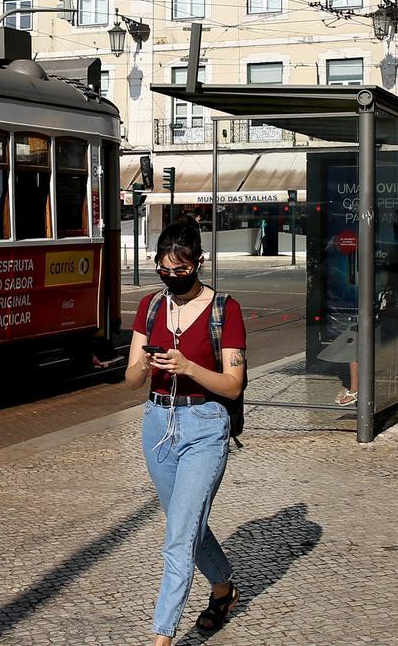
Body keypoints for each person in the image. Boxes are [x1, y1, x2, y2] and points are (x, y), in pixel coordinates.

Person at [124, 221, 247, 643]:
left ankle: (161, 635)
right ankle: (224, 587)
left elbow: (233, 384)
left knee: (178, 537)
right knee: (185, 522)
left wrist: (188, 367)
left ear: (198, 263)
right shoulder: (151, 307)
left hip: (206, 426)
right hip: (158, 425)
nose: (172, 278)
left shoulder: (224, 310)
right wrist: (146, 364)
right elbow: (132, 380)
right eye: (164, 270)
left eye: (181, 270)